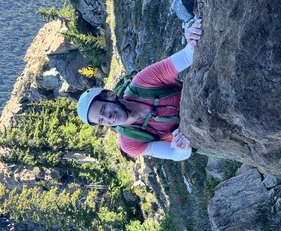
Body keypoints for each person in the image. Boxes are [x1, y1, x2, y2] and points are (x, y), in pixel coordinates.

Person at [77, 18, 202, 161]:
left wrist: (192, 38)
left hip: (203, 98)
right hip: (204, 136)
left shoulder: (143, 83)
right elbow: (174, 154)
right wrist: (182, 149)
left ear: (110, 95)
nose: (108, 118)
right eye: (101, 120)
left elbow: (186, 57)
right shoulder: (130, 143)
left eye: (103, 110)